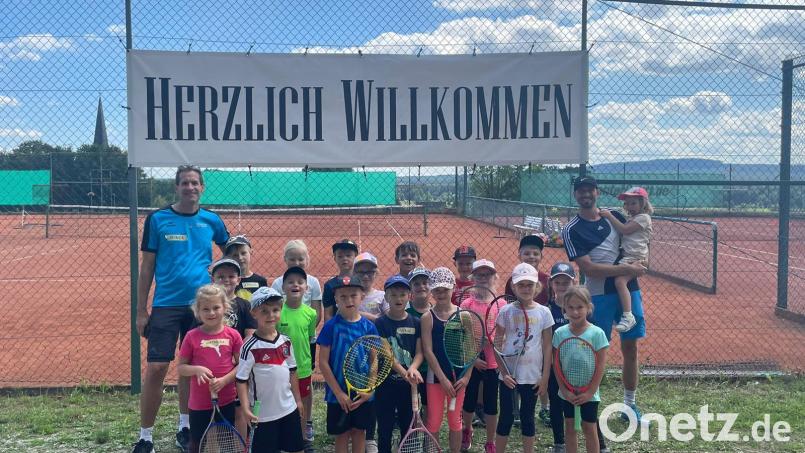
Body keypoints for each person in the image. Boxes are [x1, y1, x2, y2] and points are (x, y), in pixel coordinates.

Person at [133, 165, 229, 453]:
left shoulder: (212, 220)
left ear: (202, 187)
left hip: (200, 308)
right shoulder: (158, 219)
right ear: (176, 187)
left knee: (189, 370)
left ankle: (185, 426)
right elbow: (147, 266)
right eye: (184, 183)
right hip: (165, 305)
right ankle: (145, 436)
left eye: (194, 183)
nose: (190, 187)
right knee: (157, 367)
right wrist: (140, 310)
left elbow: (232, 255)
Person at [561, 176, 647, 422]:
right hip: (599, 295)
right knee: (593, 350)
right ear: (576, 195)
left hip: (629, 291)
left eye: (589, 190)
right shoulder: (571, 229)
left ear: (597, 192)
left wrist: (639, 263)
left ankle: (629, 406)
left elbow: (637, 240)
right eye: (581, 191)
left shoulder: (617, 217)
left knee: (630, 347)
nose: (585, 194)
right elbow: (589, 269)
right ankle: (588, 406)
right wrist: (627, 270)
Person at [545, 263, 610, 453]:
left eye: (580, 307)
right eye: (571, 307)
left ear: (589, 308)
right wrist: (564, 389)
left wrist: (590, 391)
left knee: (589, 428)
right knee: (570, 427)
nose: (575, 312)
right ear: (564, 308)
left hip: (589, 393)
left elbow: (600, 366)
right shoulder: (560, 333)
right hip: (567, 393)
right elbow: (557, 365)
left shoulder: (597, 334)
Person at [236, 287, 305, 453]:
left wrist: (298, 400)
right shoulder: (249, 347)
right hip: (263, 416)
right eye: (264, 311)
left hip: (288, 409)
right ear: (254, 313)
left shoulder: (285, 342)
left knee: (296, 449)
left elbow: (293, 372)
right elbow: (241, 381)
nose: (271, 315)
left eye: (275, 310)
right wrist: (246, 408)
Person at [176, 284, 243, 453]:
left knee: (224, 440)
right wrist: (196, 369)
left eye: (216, 308)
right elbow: (181, 367)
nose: (211, 313)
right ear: (197, 311)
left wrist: (225, 380)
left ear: (225, 307)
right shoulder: (191, 336)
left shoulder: (233, 335)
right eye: (206, 309)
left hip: (226, 399)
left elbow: (242, 365)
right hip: (199, 403)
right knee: (198, 443)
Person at [317, 274, 380, 453]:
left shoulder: (369, 327)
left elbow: (373, 360)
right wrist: (338, 393)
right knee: (342, 434)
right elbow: (323, 363)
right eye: (343, 296)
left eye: (353, 295)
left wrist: (370, 389)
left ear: (362, 296)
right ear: (336, 299)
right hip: (338, 395)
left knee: (359, 432)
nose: (348, 300)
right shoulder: (331, 327)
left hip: (363, 393)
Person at [495, 263, 553, 453]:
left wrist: (544, 378)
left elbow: (547, 347)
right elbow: (496, 345)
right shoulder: (506, 311)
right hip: (509, 377)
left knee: (528, 418)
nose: (526, 289)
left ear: (537, 287)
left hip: (532, 376)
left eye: (530, 285)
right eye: (522, 285)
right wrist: (504, 373)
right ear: (514, 287)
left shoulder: (544, 312)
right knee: (505, 418)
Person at [271, 239, 322, 442]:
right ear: (285, 260)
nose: (296, 262)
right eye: (292, 259)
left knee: (304, 386)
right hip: (283, 343)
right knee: (282, 386)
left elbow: (316, 314)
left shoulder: (314, 283)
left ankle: (306, 422)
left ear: (307, 259)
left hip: (304, 340)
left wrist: (302, 324)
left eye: (301, 258)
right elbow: (273, 315)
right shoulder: (277, 283)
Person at [374, 275, 424, 453]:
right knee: (385, 428)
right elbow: (387, 355)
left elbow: (419, 353)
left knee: (407, 426)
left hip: (408, 387)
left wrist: (412, 368)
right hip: (385, 385)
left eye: (403, 294)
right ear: (386, 297)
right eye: (393, 294)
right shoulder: (380, 323)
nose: (398, 298)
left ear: (409, 296)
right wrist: (406, 373)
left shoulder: (416, 322)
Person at [421, 267, 467, 453]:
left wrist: (466, 377)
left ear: (453, 289)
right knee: (433, 422)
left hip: (459, 379)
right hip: (436, 379)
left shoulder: (463, 315)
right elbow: (428, 351)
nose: (441, 293)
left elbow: (470, 349)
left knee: (455, 421)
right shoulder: (427, 317)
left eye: (445, 289)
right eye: (437, 289)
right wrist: (443, 379)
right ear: (431, 290)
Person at [599, 187, 654, 333]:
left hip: (636, 259)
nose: (630, 207)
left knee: (619, 281)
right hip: (629, 257)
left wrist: (609, 216)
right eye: (627, 204)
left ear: (643, 203)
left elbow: (624, 230)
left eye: (633, 203)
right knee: (615, 280)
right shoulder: (633, 218)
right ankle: (621, 313)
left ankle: (628, 316)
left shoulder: (644, 218)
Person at [459, 259, 500, 453]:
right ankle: (467, 430)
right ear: (473, 278)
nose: (483, 278)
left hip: (493, 362)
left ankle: (490, 441)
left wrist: (491, 340)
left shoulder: (500, 303)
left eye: (487, 275)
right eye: (479, 275)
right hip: (471, 361)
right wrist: (473, 358)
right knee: (468, 401)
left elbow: (503, 334)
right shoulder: (466, 304)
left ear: (494, 278)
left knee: (491, 404)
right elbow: (462, 335)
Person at [277, 266, 319, 453]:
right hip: (281, 368)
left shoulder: (311, 314)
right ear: (283, 287)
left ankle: (302, 437)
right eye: (291, 282)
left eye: (300, 282)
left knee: (302, 401)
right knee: (282, 402)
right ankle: (282, 437)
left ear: (306, 288)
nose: (295, 285)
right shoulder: (278, 313)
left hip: (302, 368)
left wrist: (309, 364)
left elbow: (309, 339)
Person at [406, 266, 432, 417]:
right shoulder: (405, 313)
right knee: (411, 407)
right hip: (409, 368)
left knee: (429, 406)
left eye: (425, 282)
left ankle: (428, 437)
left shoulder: (435, 312)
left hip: (429, 369)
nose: (421, 286)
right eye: (416, 284)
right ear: (410, 288)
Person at [210, 258, 257, 340]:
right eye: (221, 277)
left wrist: (239, 351)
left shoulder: (245, 305)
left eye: (231, 276)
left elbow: (250, 333)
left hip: (237, 350)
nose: (226, 280)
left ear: (238, 280)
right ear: (213, 280)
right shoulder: (206, 304)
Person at [323, 239, 360, 322]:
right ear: (335, 258)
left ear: (355, 256)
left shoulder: (360, 282)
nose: (344, 259)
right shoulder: (330, 285)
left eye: (348, 255)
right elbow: (328, 314)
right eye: (340, 256)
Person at [224, 234, 268, 301]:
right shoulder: (226, 282)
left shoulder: (260, 281)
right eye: (235, 255)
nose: (240, 258)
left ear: (251, 252)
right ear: (229, 257)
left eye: (243, 253)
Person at [354, 252, 388, 321]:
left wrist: (356, 313)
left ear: (376, 274)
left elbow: (388, 320)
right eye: (361, 272)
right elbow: (342, 314)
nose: (365, 276)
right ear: (354, 273)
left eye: (370, 272)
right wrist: (373, 318)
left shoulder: (382, 296)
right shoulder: (349, 296)